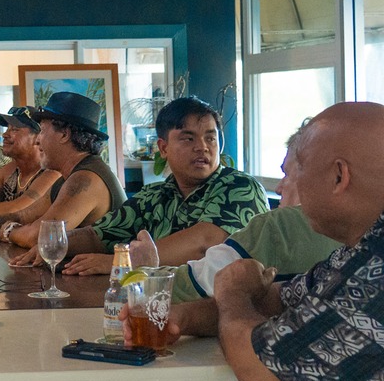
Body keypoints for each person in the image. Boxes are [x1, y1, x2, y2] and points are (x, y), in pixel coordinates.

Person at [126, 102, 384, 381]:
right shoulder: (356, 253)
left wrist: (233, 293)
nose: (283, 185)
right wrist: (183, 318)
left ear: (339, 177)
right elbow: (281, 300)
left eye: (301, 167)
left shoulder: (374, 275)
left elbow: (258, 367)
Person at [16, 96, 268, 274]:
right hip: (163, 306)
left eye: (210, 138)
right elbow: (98, 234)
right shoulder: (156, 196)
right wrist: (55, 246)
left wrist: (120, 262)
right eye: (188, 138)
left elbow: (205, 241)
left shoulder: (239, 186)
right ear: (163, 148)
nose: (202, 146)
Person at [131, 123, 340, 303]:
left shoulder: (278, 225)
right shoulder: (363, 234)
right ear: (163, 147)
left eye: (287, 174)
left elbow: (192, 287)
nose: (279, 188)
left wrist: (146, 271)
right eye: (187, 139)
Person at [0, 92, 124, 247]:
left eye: (43, 131)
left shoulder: (85, 179)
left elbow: (38, 237)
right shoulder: (69, 176)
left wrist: (9, 231)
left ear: (64, 135)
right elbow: (23, 216)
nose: (38, 140)